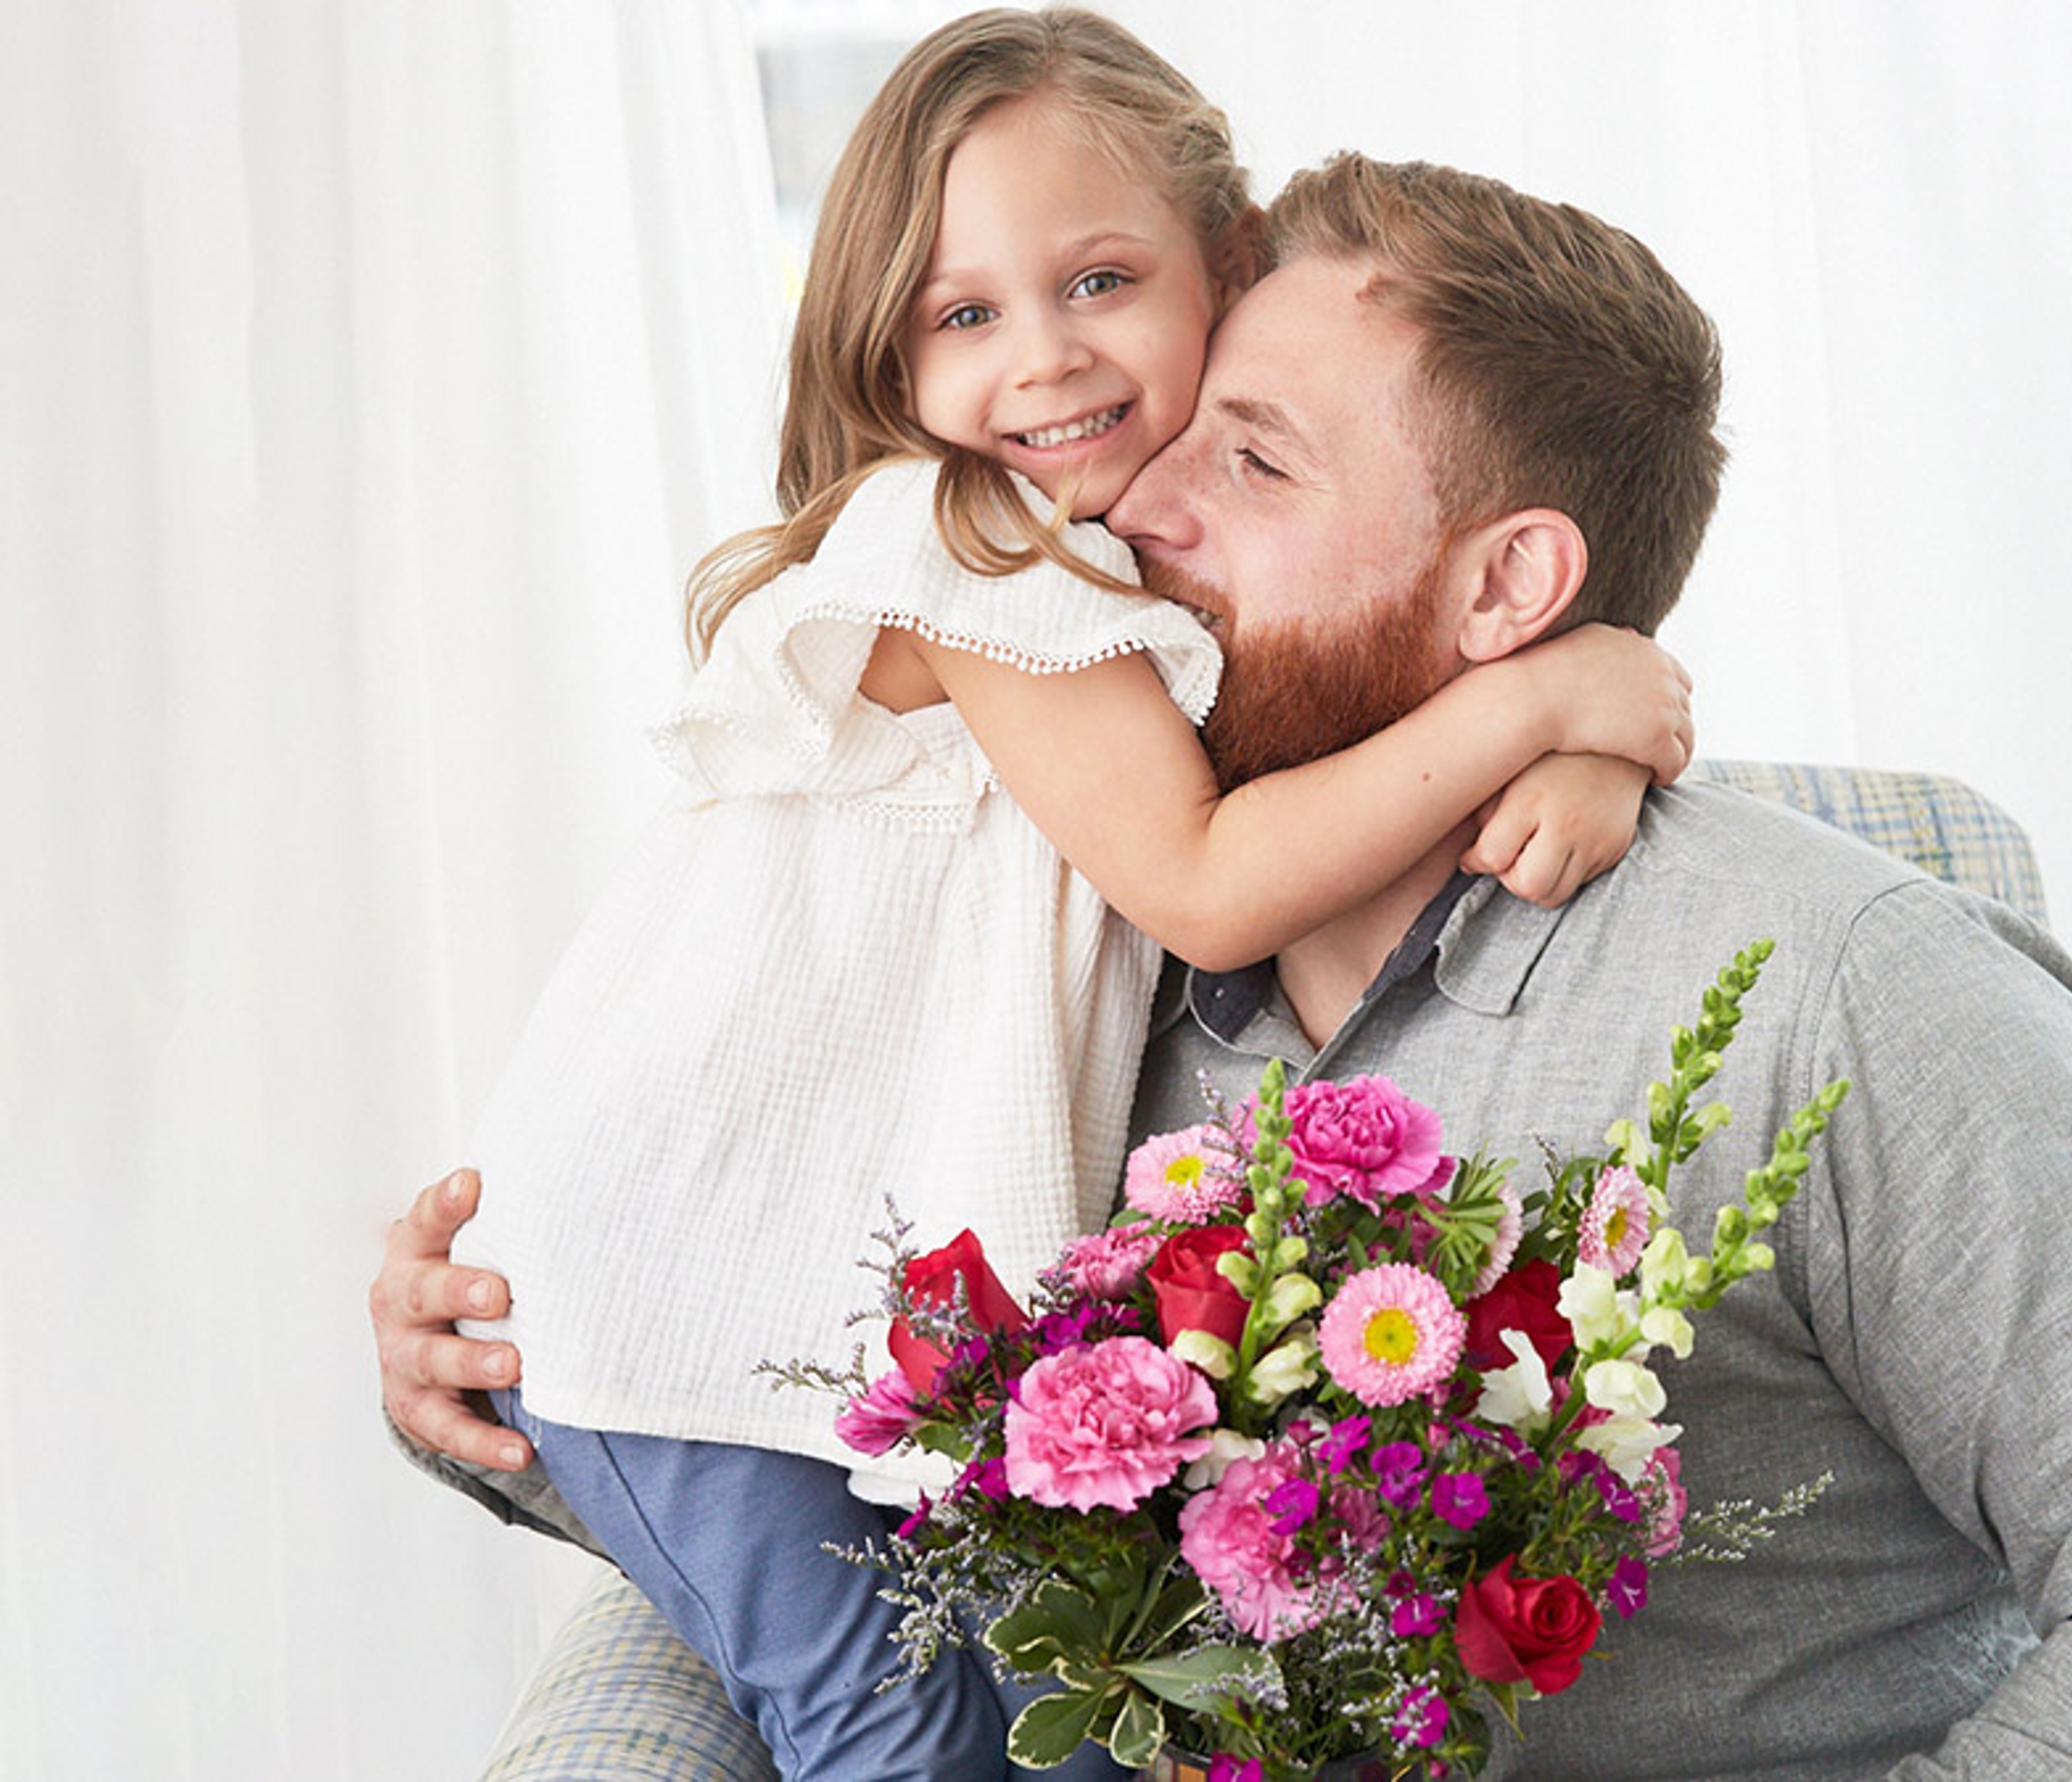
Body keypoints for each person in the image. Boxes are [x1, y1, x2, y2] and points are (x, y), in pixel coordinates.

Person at [382, 150, 2072, 1777]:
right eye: (1180, 424)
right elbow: (835, 1483)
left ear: (1510, 587)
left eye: (1252, 463)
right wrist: (486, 1380)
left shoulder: (1840, 987)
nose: (1134, 498)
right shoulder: (1069, 984)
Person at [441, 13, 1692, 1780]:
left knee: (1047, 1729)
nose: (1043, 360)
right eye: (964, 315)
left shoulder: (1131, 592)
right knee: (901, 1731)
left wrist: (1581, 749)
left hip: (810, 1311)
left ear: (1225, 266)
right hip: (686, 1286)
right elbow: (1206, 880)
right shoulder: (972, 544)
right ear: (889, 348)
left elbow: (1343, 727)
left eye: (1098, 278)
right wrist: (1545, 703)